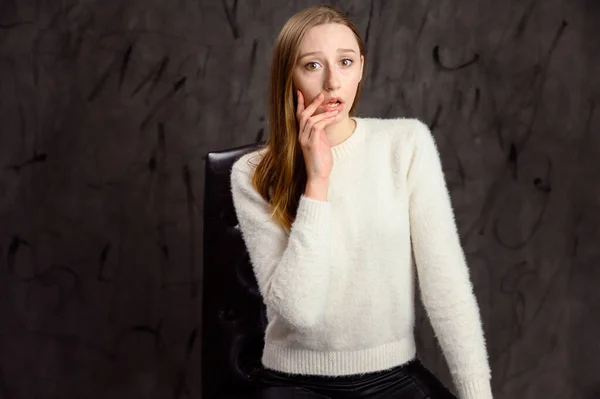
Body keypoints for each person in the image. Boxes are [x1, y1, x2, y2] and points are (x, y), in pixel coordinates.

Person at [229, 4, 493, 399]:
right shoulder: (252, 173)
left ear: (361, 69)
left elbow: (447, 286)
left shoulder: (406, 143)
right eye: (313, 66)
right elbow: (299, 312)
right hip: (294, 385)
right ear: (289, 76)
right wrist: (317, 180)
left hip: (393, 377)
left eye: (346, 62)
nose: (333, 82)